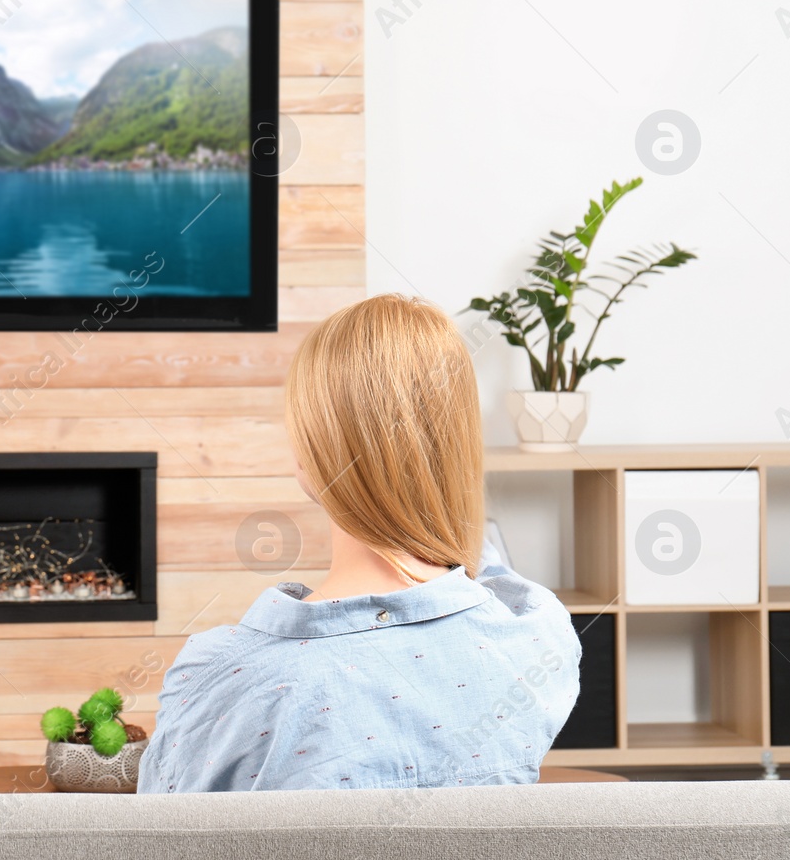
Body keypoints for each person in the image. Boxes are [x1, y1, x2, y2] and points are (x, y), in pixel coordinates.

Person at [137, 294, 581, 793]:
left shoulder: (220, 679)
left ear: (308, 456)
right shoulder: (536, 638)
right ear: (460, 448)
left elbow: (163, 853)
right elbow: (487, 572)